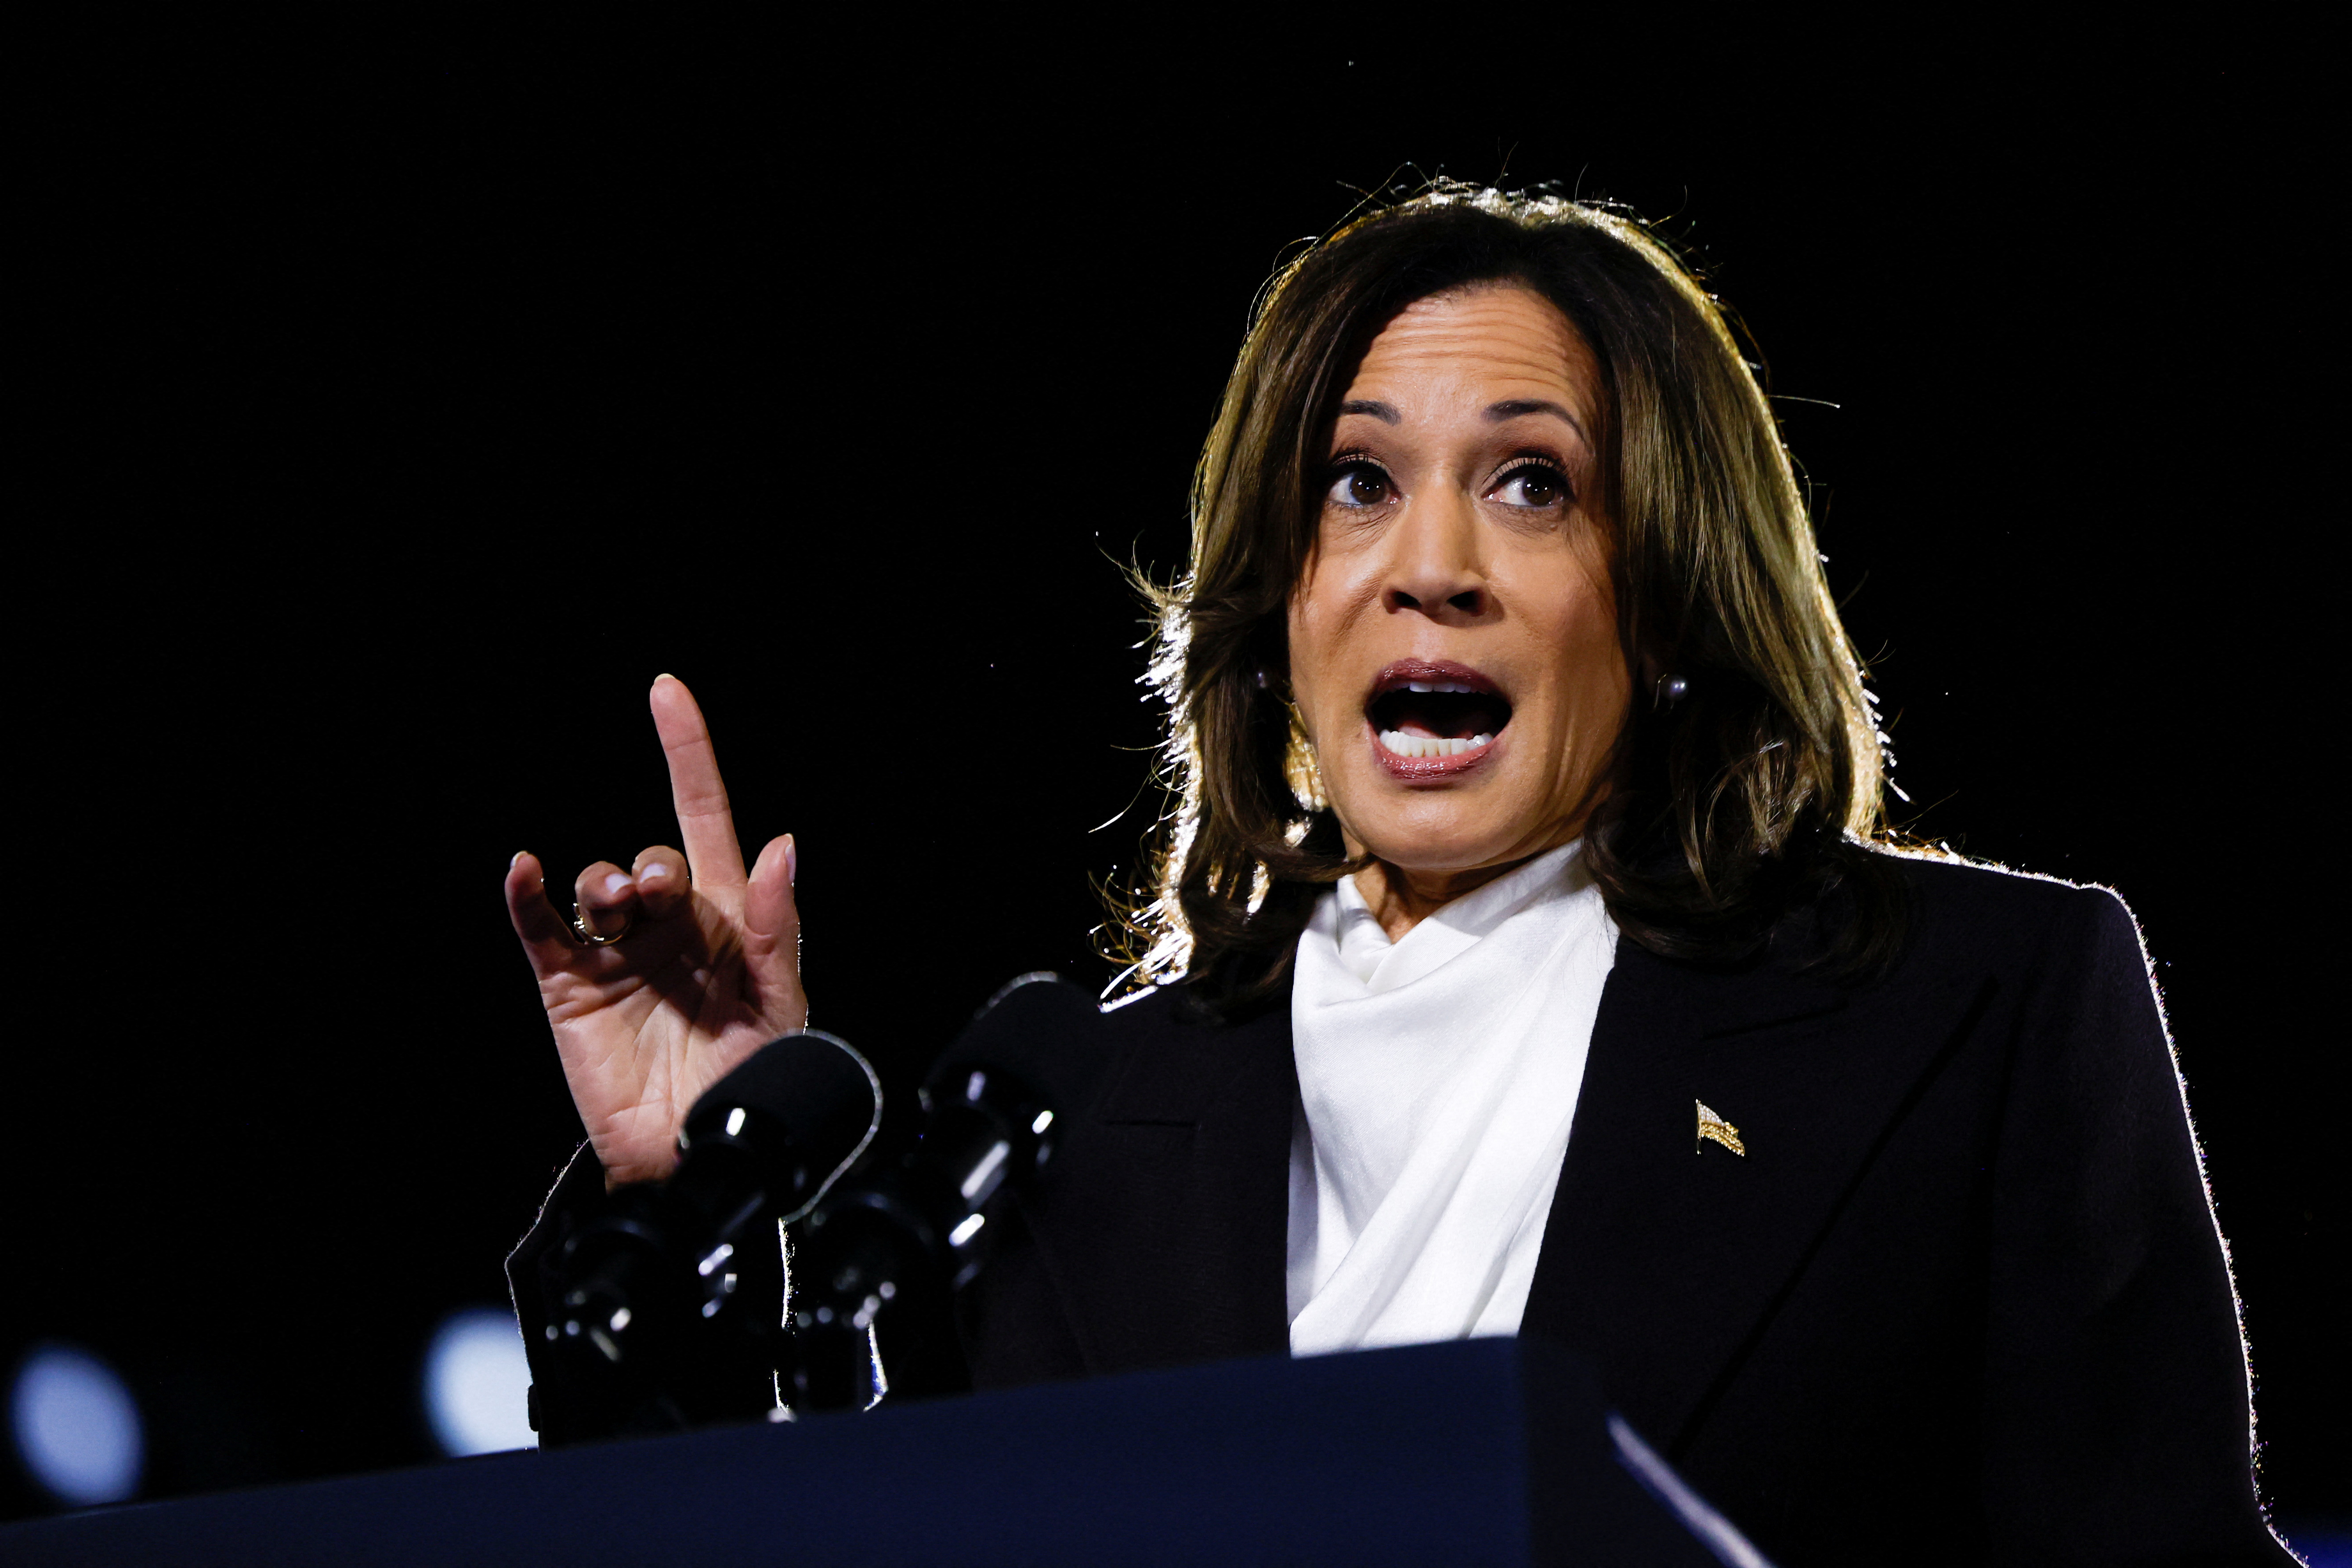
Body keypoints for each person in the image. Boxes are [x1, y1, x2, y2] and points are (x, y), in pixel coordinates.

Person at [501, 188, 2291, 1564]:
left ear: (1665, 585)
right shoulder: (1064, 1112)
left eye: (1530, 483)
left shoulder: (1972, 1007)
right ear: (1280, 598)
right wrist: (712, 1194)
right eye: (1354, 482)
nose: (1427, 562)